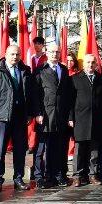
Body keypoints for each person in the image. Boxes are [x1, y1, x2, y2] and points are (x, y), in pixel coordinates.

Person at [0, 44, 33, 192]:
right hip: (2, 117)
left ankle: (18, 179)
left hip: (20, 117)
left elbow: (30, 95)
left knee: (19, 150)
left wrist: (29, 113)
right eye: (12, 54)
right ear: (5, 54)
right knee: (0, 150)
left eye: (17, 54)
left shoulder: (25, 71)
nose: (15, 57)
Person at [32, 44, 72, 189]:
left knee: (59, 147)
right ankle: (39, 176)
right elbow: (35, 94)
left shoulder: (64, 69)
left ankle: (57, 174)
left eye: (57, 52)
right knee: (41, 147)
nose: (55, 54)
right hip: (45, 115)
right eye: (52, 52)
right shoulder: (40, 70)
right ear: (46, 53)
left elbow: (67, 95)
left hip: (61, 115)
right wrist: (37, 113)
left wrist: (69, 116)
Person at [69, 54, 102, 186]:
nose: (90, 65)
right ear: (83, 64)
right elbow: (70, 101)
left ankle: (92, 175)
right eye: (88, 62)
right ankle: (77, 176)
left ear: (96, 64)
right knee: (79, 149)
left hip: (97, 119)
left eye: (93, 62)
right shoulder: (75, 79)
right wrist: (70, 118)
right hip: (80, 119)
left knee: (94, 149)